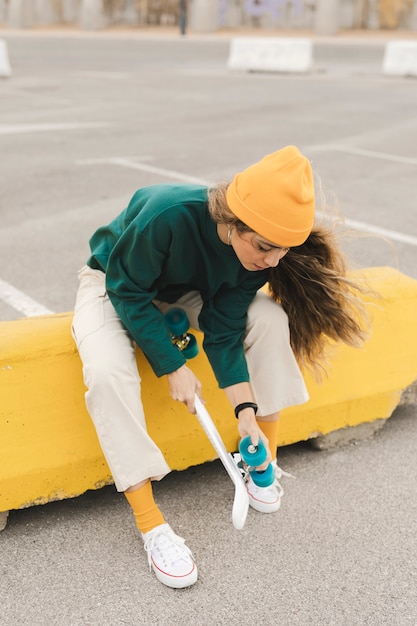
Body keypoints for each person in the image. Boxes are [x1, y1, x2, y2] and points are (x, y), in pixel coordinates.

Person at [72, 146, 366, 589]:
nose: (271, 262)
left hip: (180, 293)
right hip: (115, 283)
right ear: (231, 221)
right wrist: (173, 365)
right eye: (264, 247)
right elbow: (127, 291)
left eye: (282, 252)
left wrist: (243, 410)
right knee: (108, 371)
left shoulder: (259, 258)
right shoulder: (166, 214)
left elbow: (224, 328)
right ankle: (153, 527)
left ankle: (260, 454)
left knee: (270, 318)